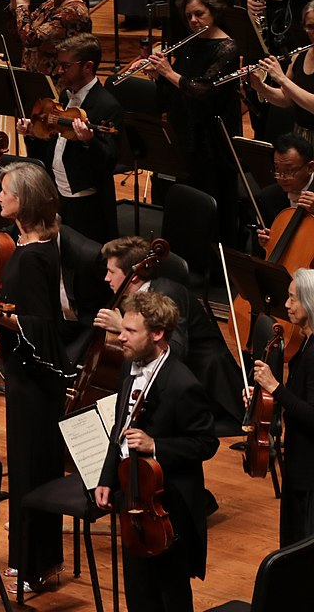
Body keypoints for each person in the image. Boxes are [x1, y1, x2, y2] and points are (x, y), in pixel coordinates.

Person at [0, 161, 71, 592]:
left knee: (32, 469)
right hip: (24, 371)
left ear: (23, 200)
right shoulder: (31, 244)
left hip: (33, 382)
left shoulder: (31, 258)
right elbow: (26, 320)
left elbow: (41, 325)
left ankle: (33, 567)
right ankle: (39, 560)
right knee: (33, 466)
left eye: (4, 191)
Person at [95, 291, 219, 612]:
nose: (120, 337)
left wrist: (156, 445)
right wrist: (107, 478)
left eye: (130, 332)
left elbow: (206, 443)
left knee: (171, 593)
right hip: (132, 496)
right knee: (138, 590)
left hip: (167, 505)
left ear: (157, 334)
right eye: (122, 329)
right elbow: (119, 429)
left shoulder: (182, 384)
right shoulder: (129, 368)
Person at [95, 236, 245, 434]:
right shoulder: (131, 295)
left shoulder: (166, 295)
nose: (106, 278)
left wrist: (122, 326)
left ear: (133, 276)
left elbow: (176, 349)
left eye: (112, 272)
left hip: (204, 378)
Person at [146, 0, 240, 244]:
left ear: (214, 12)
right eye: (188, 16)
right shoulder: (191, 44)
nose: (193, 21)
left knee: (212, 197)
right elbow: (178, 87)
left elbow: (203, 89)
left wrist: (168, 73)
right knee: (186, 194)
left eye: (199, 14)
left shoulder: (228, 48)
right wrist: (158, 75)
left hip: (213, 136)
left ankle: (216, 258)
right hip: (186, 130)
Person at [19, 33, 124, 243]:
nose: (59, 71)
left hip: (86, 203)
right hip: (58, 193)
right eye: (59, 65)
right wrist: (32, 132)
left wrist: (89, 141)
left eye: (66, 66)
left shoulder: (107, 106)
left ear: (87, 67)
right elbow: (53, 143)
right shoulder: (66, 96)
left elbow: (108, 161)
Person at [250, 268, 314, 546]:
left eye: (292, 299)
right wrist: (263, 396)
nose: (286, 305)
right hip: (300, 457)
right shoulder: (306, 339)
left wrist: (275, 388)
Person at [248, 0, 314, 146]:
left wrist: (281, 78)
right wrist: (260, 87)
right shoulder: (299, 57)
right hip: (301, 136)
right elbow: (286, 99)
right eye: (311, 27)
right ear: (304, 28)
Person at [255, 133, 314, 240]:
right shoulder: (268, 197)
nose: (282, 177)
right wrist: (264, 243)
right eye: (277, 169)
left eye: (289, 170)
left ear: (310, 167)